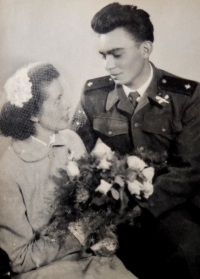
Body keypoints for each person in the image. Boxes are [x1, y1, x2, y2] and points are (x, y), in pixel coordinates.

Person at [71, 3, 200, 279]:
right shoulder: (94, 94)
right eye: (103, 55)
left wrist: (139, 208)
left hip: (169, 208)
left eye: (117, 54)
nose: (108, 66)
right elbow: (74, 151)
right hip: (110, 209)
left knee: (188, 258)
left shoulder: (186, 97)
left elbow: (189, 170)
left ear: (145, 49)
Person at [0, 62, 138, 279]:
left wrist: (102, 230)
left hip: (93, 258)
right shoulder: (8, 171)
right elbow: (20, 260)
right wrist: (78, 234)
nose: (67, 105)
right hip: (47, 271)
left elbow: (90, 208)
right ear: (34, 114)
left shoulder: (71, 140)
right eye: (57, 99)